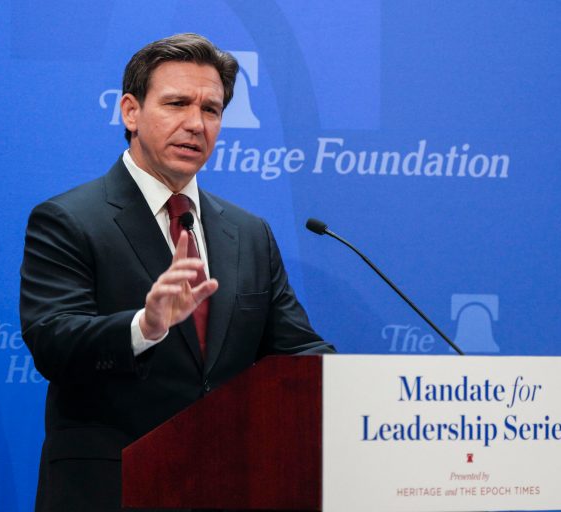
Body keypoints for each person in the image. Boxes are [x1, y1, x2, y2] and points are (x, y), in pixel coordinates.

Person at [20, 33, 335, 512]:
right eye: (177, 103)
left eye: (211, 110)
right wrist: (143, 327)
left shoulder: (248, 233)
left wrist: (372, 388)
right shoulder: (68, 219)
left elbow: (295, 350)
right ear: (131, 111)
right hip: (110, 490)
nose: (195, 124)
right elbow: (54, 342)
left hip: (230, 485)